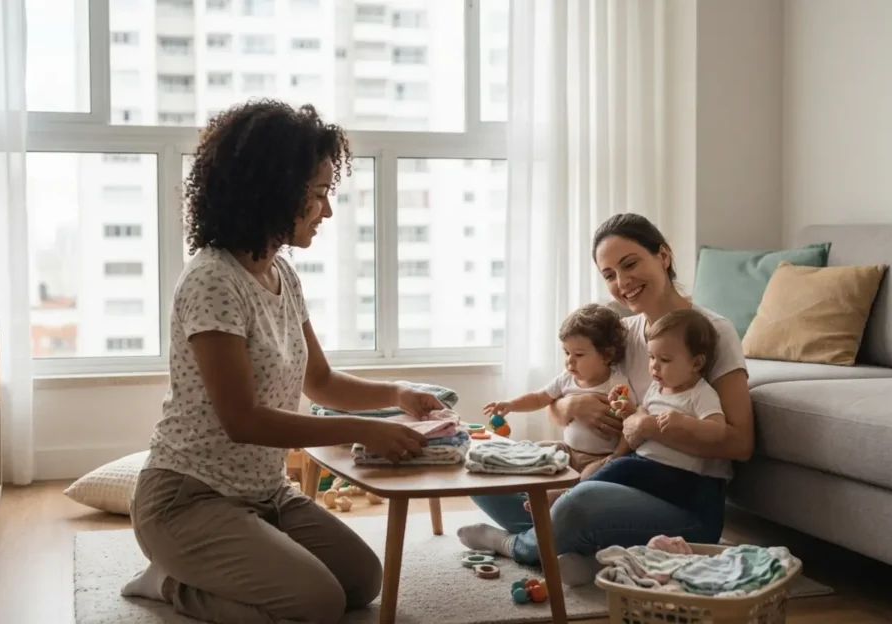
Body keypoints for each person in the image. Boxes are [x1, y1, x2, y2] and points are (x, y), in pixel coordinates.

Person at [121, 100, 442, 624]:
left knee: (361, 581)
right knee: (316, 602)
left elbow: (321, 380)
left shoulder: (283, 276)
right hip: (187, 498)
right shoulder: (212, 280)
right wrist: (363, 430)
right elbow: (242, 420)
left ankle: (238, 554)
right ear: (272, 192)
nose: (328, 210)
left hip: (264, 493)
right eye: (318, 195)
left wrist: (396, 394)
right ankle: (169, 582)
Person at [457, 212, 753, 587]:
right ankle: (578, 547)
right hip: (615, 475)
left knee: (583, 499)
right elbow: (560, 392)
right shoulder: (621, 332)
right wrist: (569, 406)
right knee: (486, 472)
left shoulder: (713, 333)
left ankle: (517, 544)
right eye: (609, 274)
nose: (622, 283)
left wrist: (648, 427)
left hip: (685, 500)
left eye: (630, 264)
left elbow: (741, 444)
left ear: (663, 256)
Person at [482, 303, 635, 507]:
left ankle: (563, 496)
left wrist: (617, 456)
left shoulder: (617, 384)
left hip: (599, 457)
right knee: (537, 448)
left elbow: (630, 424)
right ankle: (522, 484)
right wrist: (510, 404)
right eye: (566, 353)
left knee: (592, 476)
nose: (570, 361)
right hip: (568, 450)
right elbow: (539, 398)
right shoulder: (566, 379)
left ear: (606, 355)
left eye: (579, 355)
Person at [585, 308, 729, 511]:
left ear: (696, 363)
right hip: (645, 462)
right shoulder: (656, 388)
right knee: (600, 468)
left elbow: (719, 430)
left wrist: (684, 422)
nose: (654, 366)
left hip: (678, 475)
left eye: (665, 360)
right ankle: (578, 497)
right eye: (652, 357)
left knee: (620, 469)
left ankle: (570, 496)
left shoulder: (700, 393)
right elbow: (641, 419)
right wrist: (629, 410)